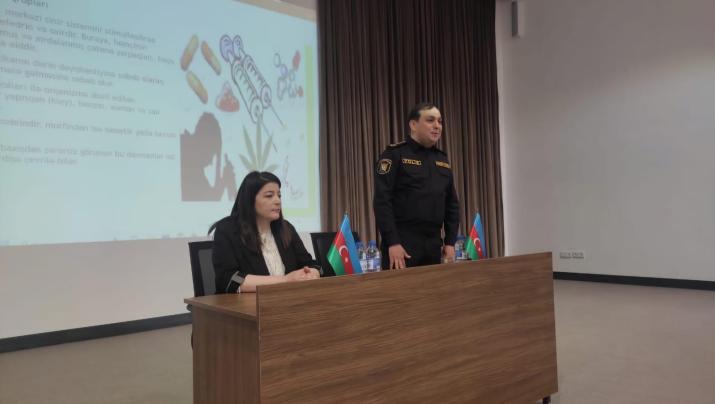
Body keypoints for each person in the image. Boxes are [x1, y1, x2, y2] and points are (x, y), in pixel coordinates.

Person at [373, 102, 460, 269]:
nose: (437, 126)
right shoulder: (394, 155)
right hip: (403, 244)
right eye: (430, 120)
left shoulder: (442, 159)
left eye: (440, 121)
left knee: (434, 287)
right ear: (413, 125)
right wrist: (393, 242)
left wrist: (450, 242)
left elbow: (452, 205)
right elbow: (382, 202)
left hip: (434, 244)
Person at [211, 171, 321, 293]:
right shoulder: (227, 230)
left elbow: (311, 264)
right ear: (250, 200)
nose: (278, 201)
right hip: (245, 303)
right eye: (269, 196)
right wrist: (286, 280)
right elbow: (229, 279)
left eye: (279, 195)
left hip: (285, 300)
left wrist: (312, 273)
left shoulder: (286, 228)